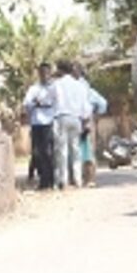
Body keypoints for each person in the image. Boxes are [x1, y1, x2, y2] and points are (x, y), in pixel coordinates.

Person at [50, 60, 90, 189]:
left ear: (60, 70)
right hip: (76, 119)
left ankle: (63, 180)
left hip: (62, 117)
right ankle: (78, 180)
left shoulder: (57, 84)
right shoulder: (80, 86)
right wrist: (85, 120)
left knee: (62, 151)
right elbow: (86, 107)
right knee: (76, 150)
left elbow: (51, 100)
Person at [73, 63, 108, 188]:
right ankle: (90, 179)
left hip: (80, 121)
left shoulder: (79, 87)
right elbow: (103, 104)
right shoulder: (88, 88)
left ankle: (84, 178)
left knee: (80, 150)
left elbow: (103, 103)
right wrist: (97, 116)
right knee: (88, 150)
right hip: (87, 121)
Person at [23, 63, 56, 189]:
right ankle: (43, 180)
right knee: (37, 153)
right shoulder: (33, 88)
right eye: (41, 72)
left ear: (50, 73)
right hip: (36, 123)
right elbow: (27, 103)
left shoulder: (54, 88)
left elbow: (55, 102)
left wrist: (41, 103)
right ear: (39, 73)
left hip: (49, 122)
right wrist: (37, 104)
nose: (44, 75)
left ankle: (51, 180)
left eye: (46, 72)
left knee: (49, 152)